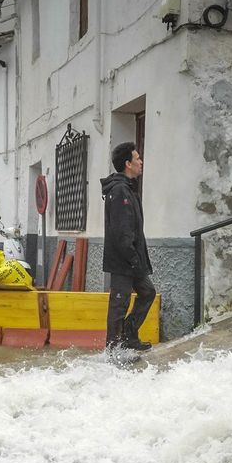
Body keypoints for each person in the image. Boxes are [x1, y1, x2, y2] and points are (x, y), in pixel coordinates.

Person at [101, 141, 155, 351]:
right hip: (124, 260)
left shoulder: (127, 189)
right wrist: (133, 259)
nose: (141, 162)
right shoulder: (120, 191)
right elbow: (122, 231)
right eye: (137, 159)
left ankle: (129, 336)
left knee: (148, 292)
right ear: (127, 164)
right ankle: (113, 351)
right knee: (119, 304)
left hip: (132, 259)